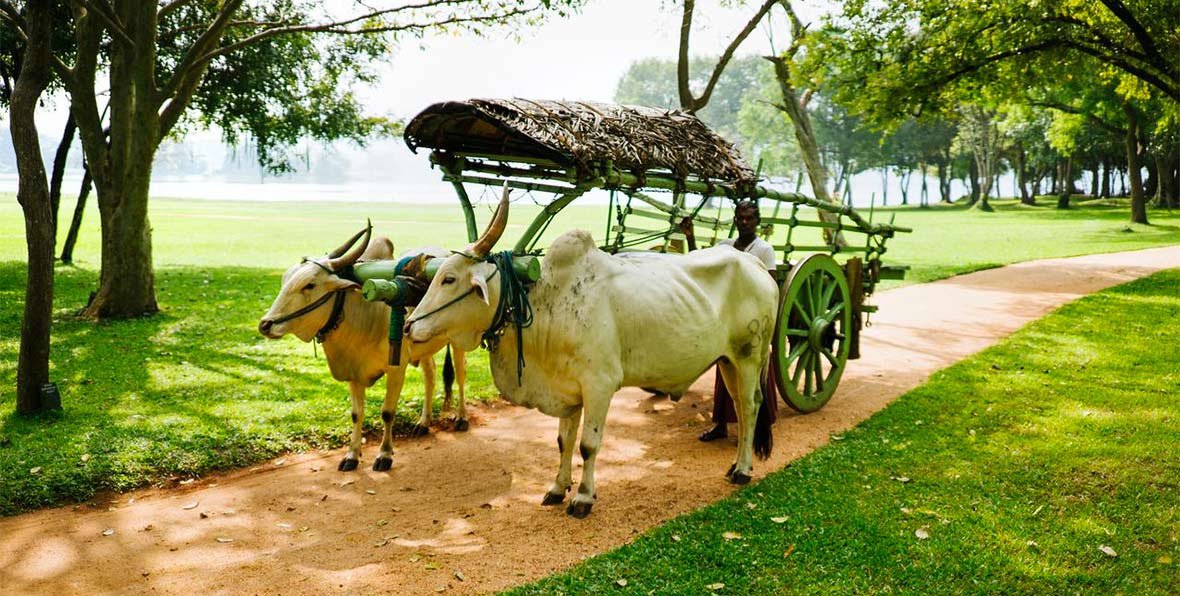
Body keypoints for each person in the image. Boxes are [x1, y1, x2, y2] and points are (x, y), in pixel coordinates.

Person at [679, 199, 779, 442]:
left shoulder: (764, 250)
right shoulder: (725, 246)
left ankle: (759, 423)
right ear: (735, 219)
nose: (744, 222)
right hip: (727, 318)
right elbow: (700, 264)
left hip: (751, 319)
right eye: (740, 218)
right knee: (724, 372)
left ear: (757, 222)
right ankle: (721, 425)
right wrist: (690, 238)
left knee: (754, 372)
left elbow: (771, 286)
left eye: (749, 218)